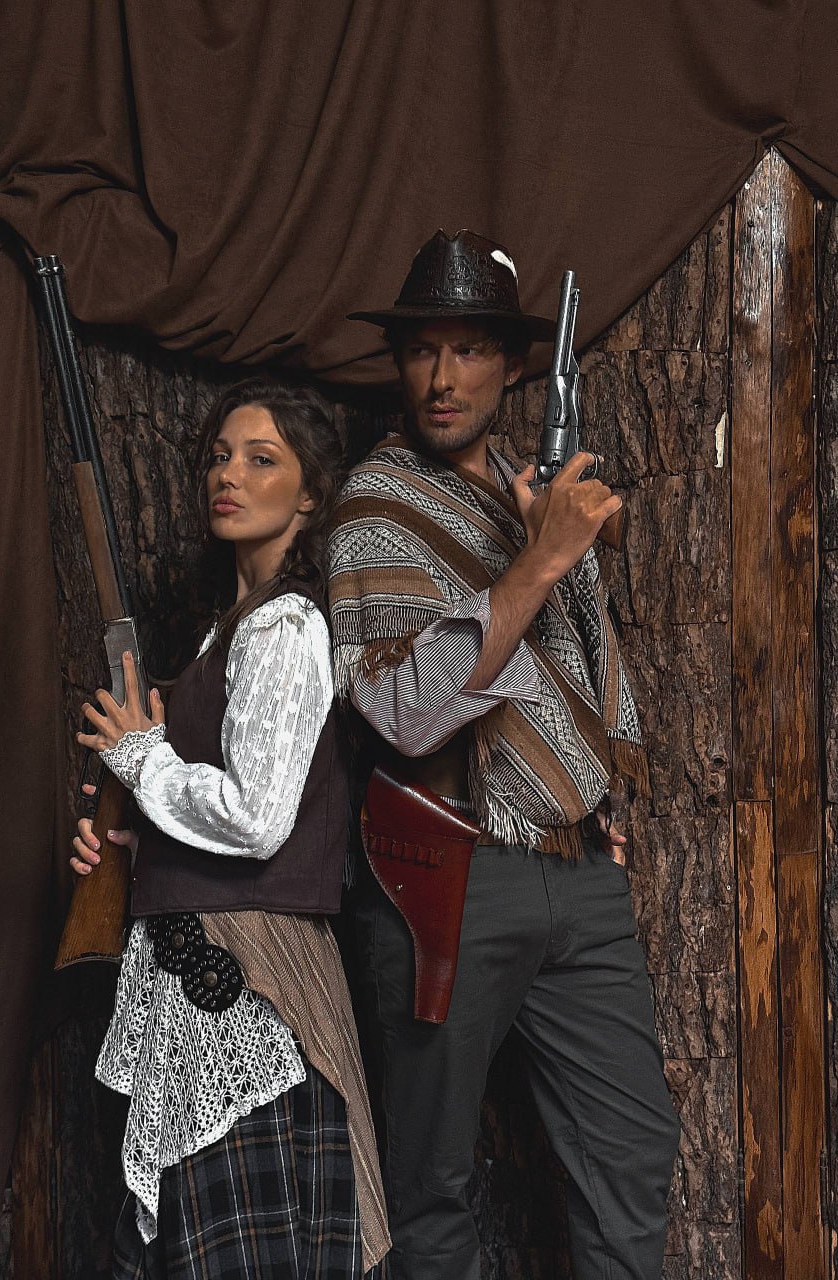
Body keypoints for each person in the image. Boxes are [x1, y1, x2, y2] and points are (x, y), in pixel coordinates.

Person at [328, 230, 680, 1280]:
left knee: (632, 1151)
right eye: (422, 351)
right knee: (431, 1182)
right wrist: (542, 559)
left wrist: (593, 796)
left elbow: (581, 662)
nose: (443, 378)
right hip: (449, 873)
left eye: (471, 349)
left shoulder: (535, 496)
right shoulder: (373, 507)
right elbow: (403, 710)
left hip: (576, 872)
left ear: (514, 365)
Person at [70, 378, 390, 1279]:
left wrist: (141, 760)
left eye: (261, 459)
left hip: (253, 982)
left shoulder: (285, 625)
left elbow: (256, 817)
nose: (229, 475)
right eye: (219, 456)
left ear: (312, 494)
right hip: (204, 976)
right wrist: (139, 845)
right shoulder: (229, 632)